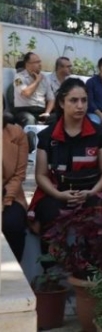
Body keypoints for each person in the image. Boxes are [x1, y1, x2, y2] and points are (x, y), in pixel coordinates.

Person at [29, 78, 102, 238]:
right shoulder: (47, 136)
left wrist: (91, 192)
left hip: (91, 192)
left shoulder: (99, 134)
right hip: (56, 193)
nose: (80, 106)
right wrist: (58, 195)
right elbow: (40, 175)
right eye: (73, 100)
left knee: (100, 217)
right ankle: (51, 262)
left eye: (84, 100)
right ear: (61, 103)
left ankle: (92, 263)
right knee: (49, 214)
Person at [3, 111, 29, 261]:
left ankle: (13, 277)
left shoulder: (17, 133)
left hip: (10, 195)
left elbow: (19, 175)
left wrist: (6, 198)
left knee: (12, 224)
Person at [13, 52, 56, 127]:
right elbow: (26, 93)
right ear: (28, 64)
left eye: (40, 62)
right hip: (24, 111)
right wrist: (37, 81)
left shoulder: (45, 78)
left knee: (56, 118)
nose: (40, 64)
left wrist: (47, 113)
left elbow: (51, 99)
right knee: (30, 119)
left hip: (40, 111)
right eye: (36, 62)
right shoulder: (18, 78)